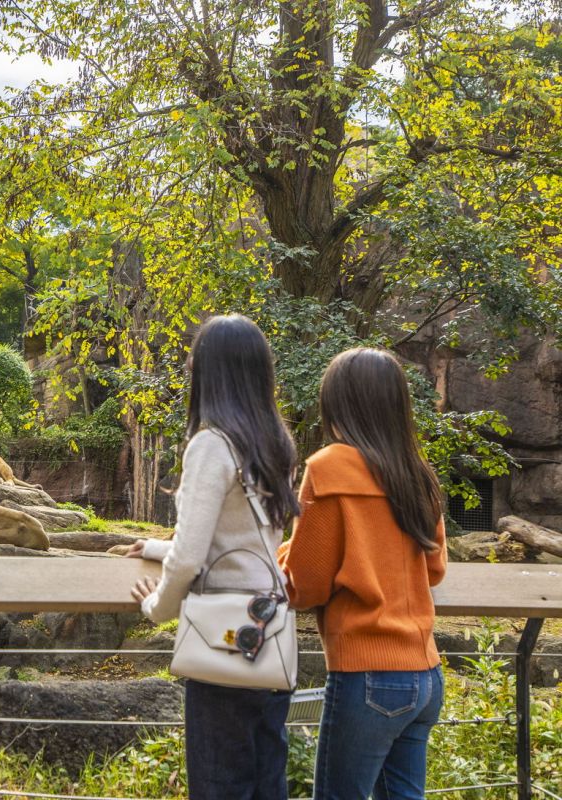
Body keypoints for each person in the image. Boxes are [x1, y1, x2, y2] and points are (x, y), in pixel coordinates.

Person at [127, 314, 300, 799]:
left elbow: (189, 562)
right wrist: (157, 547)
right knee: (267, 783)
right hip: (270, 635)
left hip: (224, 639)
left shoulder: (211, 445)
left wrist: (155, 607)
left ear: (208, 374)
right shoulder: (276, 444)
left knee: (220, 786)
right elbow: (246, 542)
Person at [278, 347, 447, 800]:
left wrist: (283, 553)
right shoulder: (417, 472)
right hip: (425, 673)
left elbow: (304, 586)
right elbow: (434, 569)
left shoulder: (328, 468)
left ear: (338, 404)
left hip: (368, 673)